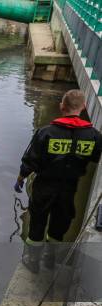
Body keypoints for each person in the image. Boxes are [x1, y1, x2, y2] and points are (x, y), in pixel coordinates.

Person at [15, 89, 101, 272]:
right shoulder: (93, 136)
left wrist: (21, 178)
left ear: (62, 107)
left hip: (44, 186)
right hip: (69, 188)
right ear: (83, 107)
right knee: (60, 224)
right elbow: (95, 157)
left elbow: (30, 160)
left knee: (37, 222)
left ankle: (33, 262)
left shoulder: (46, 133)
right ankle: (50, 259)